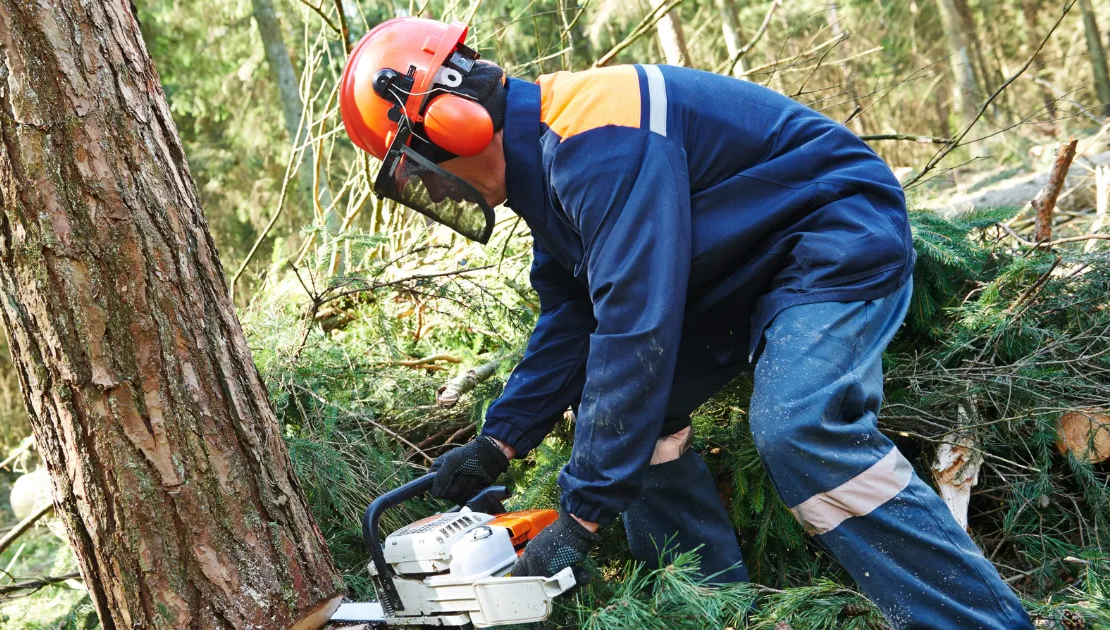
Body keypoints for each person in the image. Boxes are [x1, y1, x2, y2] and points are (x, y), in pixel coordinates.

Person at [338, 17, 1032, 630]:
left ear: (455, 123)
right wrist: (499, 442)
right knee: (635, 414)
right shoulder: (543, 168)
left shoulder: (597, 140)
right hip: (736, 266)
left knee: (800, 427)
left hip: (830, 232)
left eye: (419, 169)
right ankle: (709, 609)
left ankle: (974, 618)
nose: (428, 187)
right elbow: (571, 322)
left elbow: (634, 328)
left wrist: (580, 518)